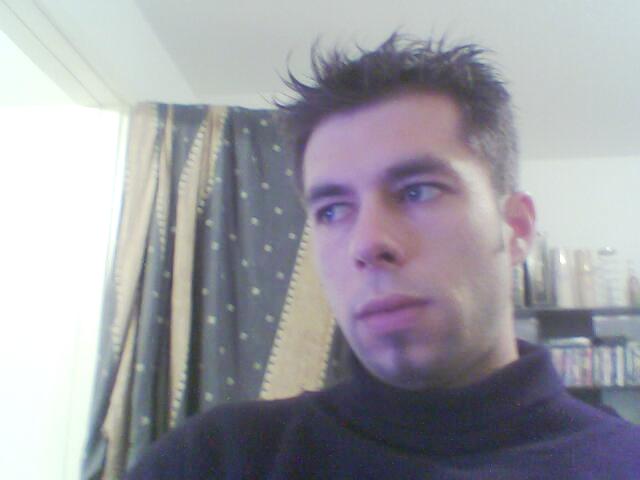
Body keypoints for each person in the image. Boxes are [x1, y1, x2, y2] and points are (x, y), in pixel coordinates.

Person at [126, 33, 640, 479]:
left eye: (418, 191)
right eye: (332, 210)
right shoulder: (214, 459)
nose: (367, 243)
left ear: (517, 228)